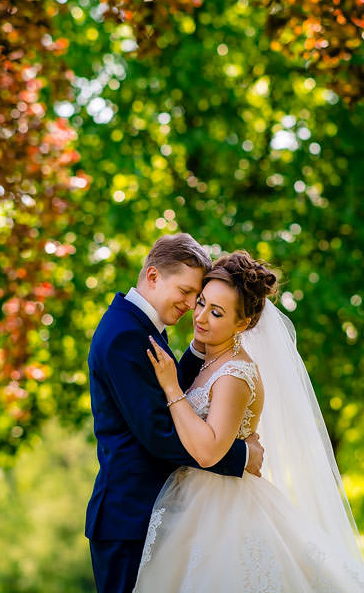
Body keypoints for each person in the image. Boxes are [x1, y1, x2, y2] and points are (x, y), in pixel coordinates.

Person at [136, 250, 364, 592]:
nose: (200, 317)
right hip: (193, 502)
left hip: (222, 510)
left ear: (242, 324)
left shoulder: (234, 374)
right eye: (201, 303)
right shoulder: (208, 360)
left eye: (217, 312)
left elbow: (209, 451)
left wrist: (171, 388)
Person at [86, 234, 265, 593]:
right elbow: (159, 434)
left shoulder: (138, 325)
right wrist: (242, 456)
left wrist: (198, 352)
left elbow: (173, 399)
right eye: (186, 293)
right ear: (153, 276)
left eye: (198, 297)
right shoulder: (126, 336)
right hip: (129, 517)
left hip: (154, 514)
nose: (191, 307)